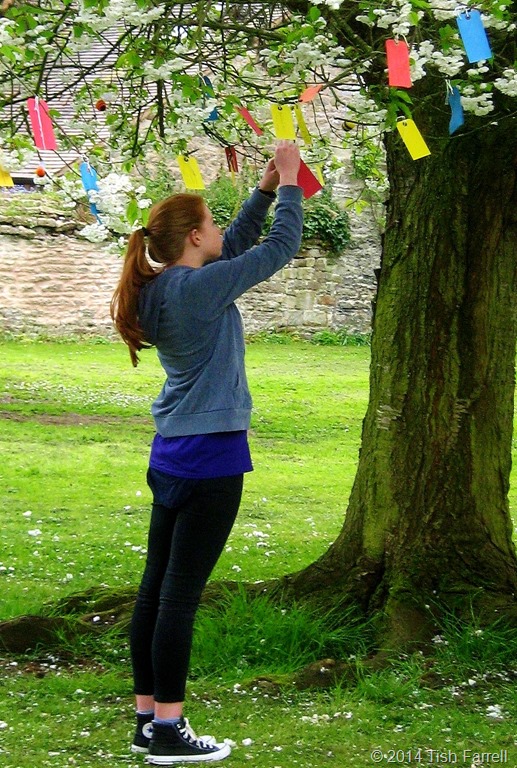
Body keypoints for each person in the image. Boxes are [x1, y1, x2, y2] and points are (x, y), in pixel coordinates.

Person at [110, 141, 303, 765]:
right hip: (211, 459)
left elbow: (235, 247)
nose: (219, 230)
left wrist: (263, 192)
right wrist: (292, 183)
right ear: (194, 237)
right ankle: (169, 732)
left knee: (154, 591)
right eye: (211, 223)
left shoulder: (161, 287)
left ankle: (147, 720)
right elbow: (278, 248)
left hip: (170, 453)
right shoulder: (200, 289)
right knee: (179, 598)